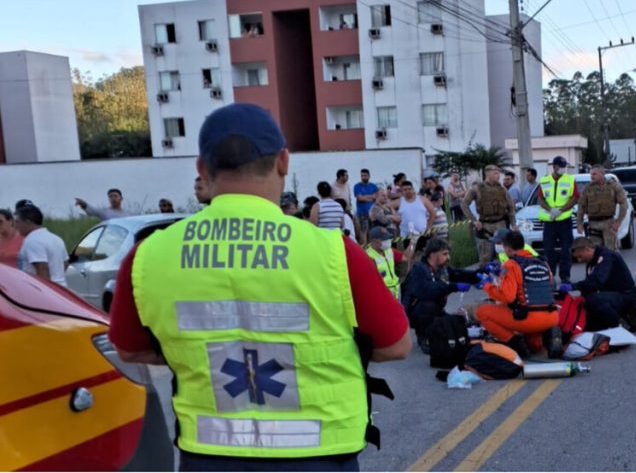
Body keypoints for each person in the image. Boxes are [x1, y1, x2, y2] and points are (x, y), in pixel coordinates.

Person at [108, 102, 411, 471]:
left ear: (202, 168)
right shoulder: (334, 252)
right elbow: (396, 345)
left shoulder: (146, 256)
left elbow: (131, 350)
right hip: (319, 455)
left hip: (209, 454)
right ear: (284, 161)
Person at [476, 231, 558, 357]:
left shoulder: (511, 265)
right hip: (552, 316)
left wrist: (487, 286)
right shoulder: (543, 262)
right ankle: (549, 337)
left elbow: (507, 297)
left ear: (507, 248)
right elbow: (551, 286)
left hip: (529, 319)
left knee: (482, 312)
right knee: (534, 341)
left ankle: (516, 343)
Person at [400, 237, 478, 353]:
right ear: (432, 254)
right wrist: (453, 287)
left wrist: (480, 274)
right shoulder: (419, 270)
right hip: (416, 313)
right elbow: (428, 290)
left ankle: (434, 331)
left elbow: (458, 273)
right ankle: (424, 337)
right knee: (428, 305)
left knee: (455, 323)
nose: (448, 258)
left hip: (436, 309)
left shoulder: (441, 268)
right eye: (445, 254)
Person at [563, 237, 636, 332]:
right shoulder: (591, 263)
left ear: (587, 249)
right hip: (611, 295)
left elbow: (597, 281)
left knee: (593, 300)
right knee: (587, 312)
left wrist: (573, 286)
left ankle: (619, 324)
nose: (579, 260)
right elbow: (589, 288)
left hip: (625, 295)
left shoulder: (606, 256)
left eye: (580, 256)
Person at [462, 165, 517, 266]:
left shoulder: (503, 189)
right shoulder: (477, 188)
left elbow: (511, 207)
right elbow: (464, 204)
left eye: (498, 173)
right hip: (485, 227)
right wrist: (474, 221)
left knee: (503, 259)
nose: (498, 176)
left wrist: (513, 224)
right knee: (485, 259)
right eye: (495, 173)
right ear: (487, 174)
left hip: (501, 227)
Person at [538, 157, 579, 283]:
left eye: (564, 166)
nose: (563, 168)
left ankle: (565, 276)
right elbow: (540, 199)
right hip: (549, 221)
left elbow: (575, 197)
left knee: (566, 249)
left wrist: (561, 210)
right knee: (548, 249)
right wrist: (550, 210)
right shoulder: (544, 180)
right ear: (554, 166)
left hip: (564, 220)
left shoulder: (570, 180)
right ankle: (550, 275)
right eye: (561, 166)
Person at [13, 204, 69, 286]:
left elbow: (42, 268)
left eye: (18, 222)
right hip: (60, 288)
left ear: (28, 221)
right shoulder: (56, 238)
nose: (16, 226)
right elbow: (65, 263)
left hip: (41, 290)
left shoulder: (32, 241)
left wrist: (45, 291)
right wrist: (56, 277)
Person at [576, 165, 628, 250]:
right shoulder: (588, 188)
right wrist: (579, 223)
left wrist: (618, 222)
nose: (591, 176)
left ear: (601, 174)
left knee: (611, 251)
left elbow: (624, 204)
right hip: (593, 224)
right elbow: (581, 206)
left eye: (594, 174)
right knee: (596, 252)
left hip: (608, 223)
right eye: (591, 174)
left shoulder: (613, 186)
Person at [366, 226, 413, 300]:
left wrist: (412, 243)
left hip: (396, 292)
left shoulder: (389, 250)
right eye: (384, 239)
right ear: (374, 241)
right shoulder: (368, 257)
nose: (388, 240)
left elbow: (405, 258)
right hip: (383, 295)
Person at [353, 169, 377, 245]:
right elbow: (360, 198)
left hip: (373, 213)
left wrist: (365, 197)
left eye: (365, 175)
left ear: (369, 176)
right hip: (362, 213)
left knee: (372, 231)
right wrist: (371, 197)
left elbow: (376, 197)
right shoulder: (357, 186)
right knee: (363, 231)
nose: (363, 177)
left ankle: (371, 249)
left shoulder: (373, 186)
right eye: (362, 175)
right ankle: (364, 249)